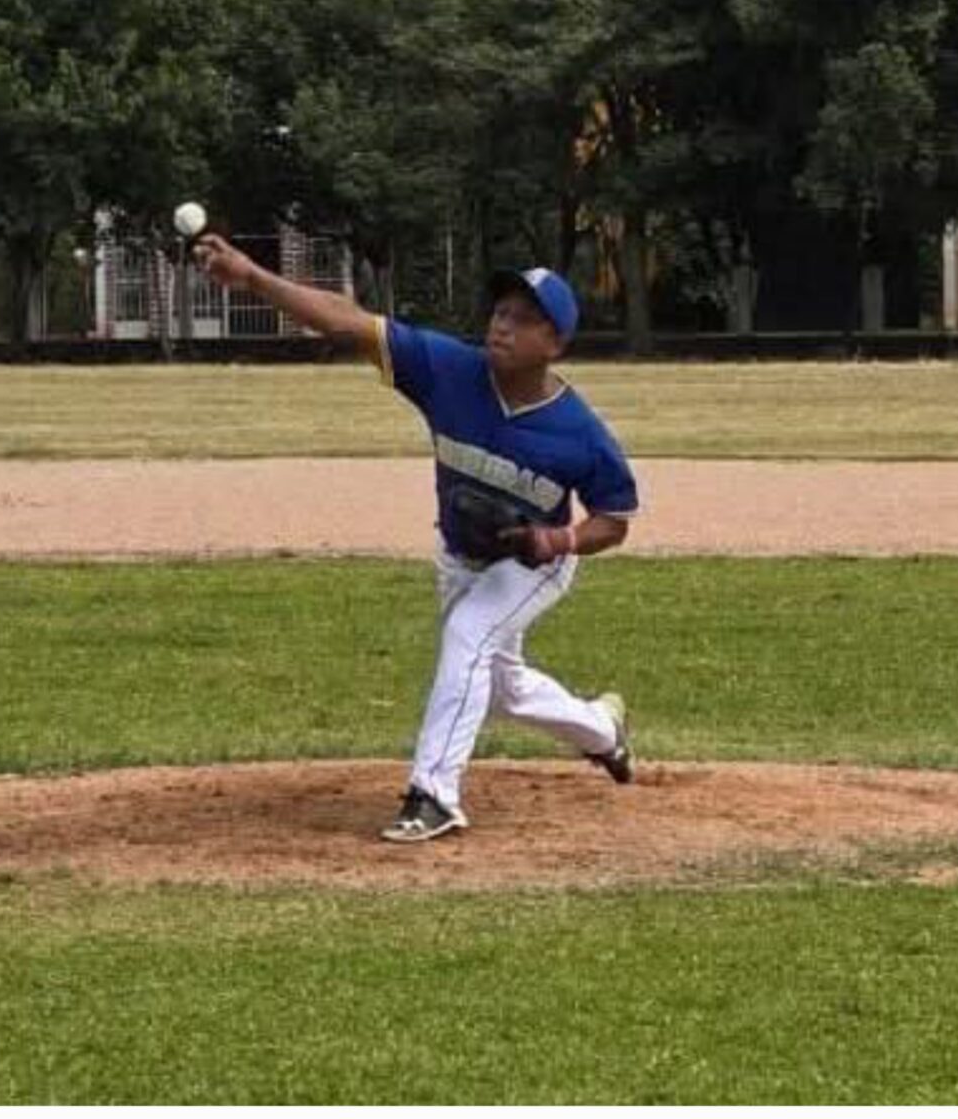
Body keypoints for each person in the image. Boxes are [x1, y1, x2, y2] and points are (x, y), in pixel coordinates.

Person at [192, 235, 636, 843]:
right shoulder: (446, 369)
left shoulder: (579, 433)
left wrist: (555, 542)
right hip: (461, 557)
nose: (503, 326)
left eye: (524, 319)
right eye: (500, 312)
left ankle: (434, 794)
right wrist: (253, 278)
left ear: (555, 344)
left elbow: (613, 520)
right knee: (499, 685)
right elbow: (349, 323)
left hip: (535, 562)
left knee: (468, 636)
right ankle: (603, 731)